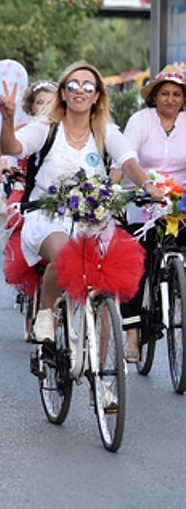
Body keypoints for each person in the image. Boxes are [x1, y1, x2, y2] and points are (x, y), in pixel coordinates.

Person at [0, 61, 164, 344]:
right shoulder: (46, 127)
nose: (80, 91)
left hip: (92, 217)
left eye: (88, 87)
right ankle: (46, 313)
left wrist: (148, 185)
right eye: (73, 85)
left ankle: (102, 366)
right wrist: (8, 119)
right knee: (65, 254)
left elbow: (127, 160)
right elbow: (12, 147)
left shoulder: (106, 131)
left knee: (107, 281)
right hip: (47, 215)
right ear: (63, 92)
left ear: (96, 96)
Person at [118, 67, 186, 361]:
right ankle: (132, 335)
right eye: (164, 93)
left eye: (176, 94)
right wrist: (118, 187)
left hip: (180, 204)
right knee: (134, 262)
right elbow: (125, 159)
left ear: (183, 99)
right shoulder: (140, 121)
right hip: (142, 199)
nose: (170, 99)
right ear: (154, 96)